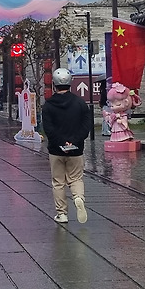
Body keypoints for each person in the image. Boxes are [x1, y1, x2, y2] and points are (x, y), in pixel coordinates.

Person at [40, 68, 92, 224]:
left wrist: (61, 142)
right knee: (76, 178)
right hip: (76, 150)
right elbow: (86, 126)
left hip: (56, 150)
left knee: (58, 182)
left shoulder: (48, 105)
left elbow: (48, 129)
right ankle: (78, 197)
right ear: (70, 83)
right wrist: (74, 141)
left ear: (54, 84)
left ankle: (62, 214)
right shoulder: (80, 103)